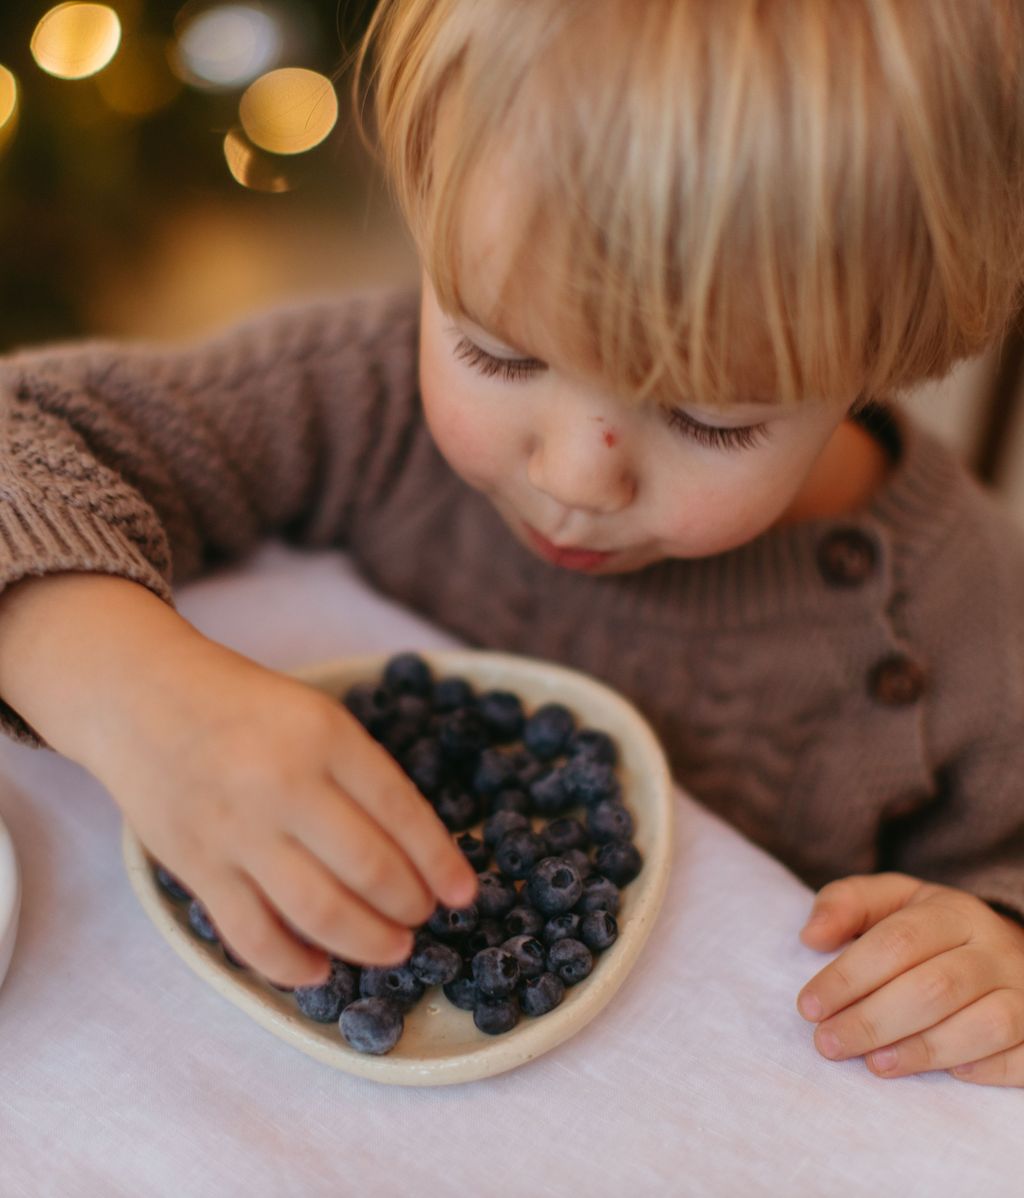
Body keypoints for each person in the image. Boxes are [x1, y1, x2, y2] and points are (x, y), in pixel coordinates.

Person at [2, 0, 1024, 1085]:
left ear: (887, 348)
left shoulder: (968, 628)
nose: (571, 480)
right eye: (495, 353)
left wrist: (998, 951)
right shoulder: (360, 398)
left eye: (709, 419)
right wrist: (142, 695)